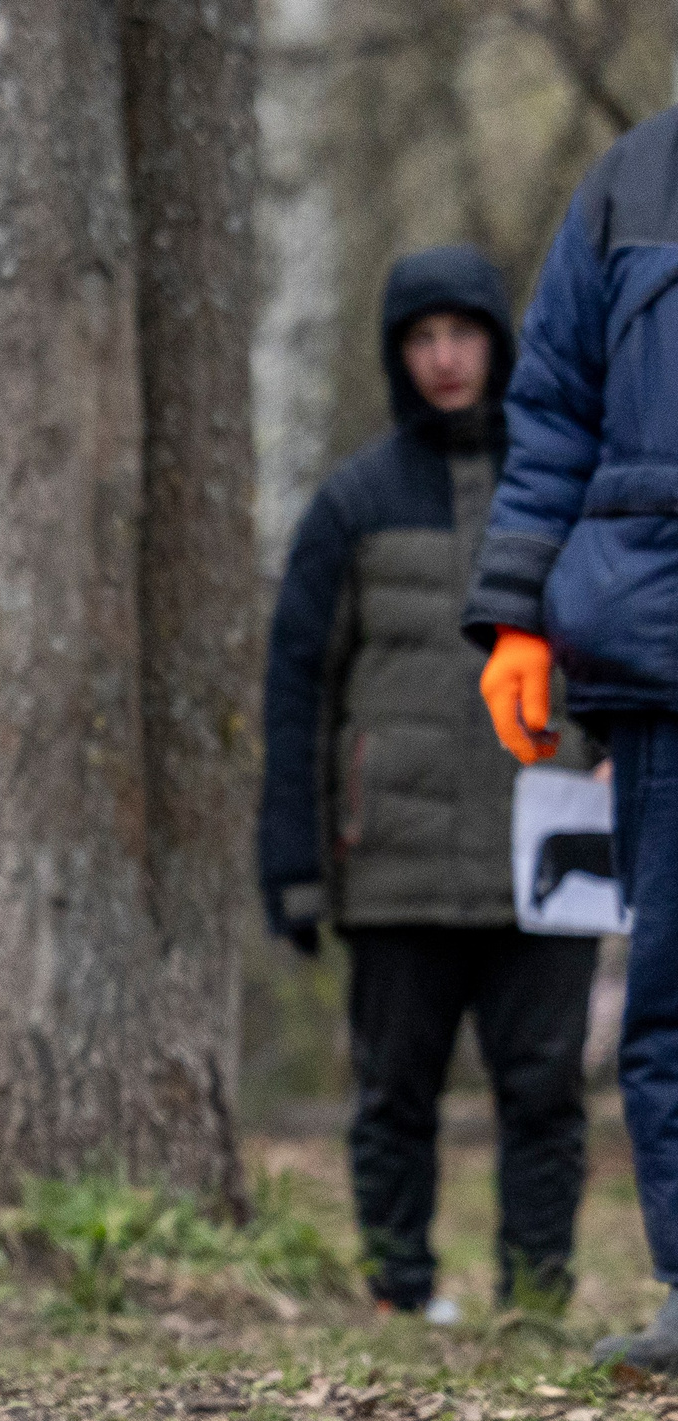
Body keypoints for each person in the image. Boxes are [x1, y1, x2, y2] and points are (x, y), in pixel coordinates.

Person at [262, 246, 596, 1320]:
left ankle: (535, 1298)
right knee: (393, 1094)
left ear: (499, 343)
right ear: (394, 353)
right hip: (393, 867)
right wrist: (295, 866)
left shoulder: (564, 490)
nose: (443, 358)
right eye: (420, 337)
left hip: (543, 855)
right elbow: (296, 689)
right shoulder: (351, 503)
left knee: (542, 1094)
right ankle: (398, 1290)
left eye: (462, 333)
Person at [463, 108, 678, 1367]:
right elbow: (550, 412)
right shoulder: (628, 183)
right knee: (672, 991)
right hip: (658, 649)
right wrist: (517, 616)